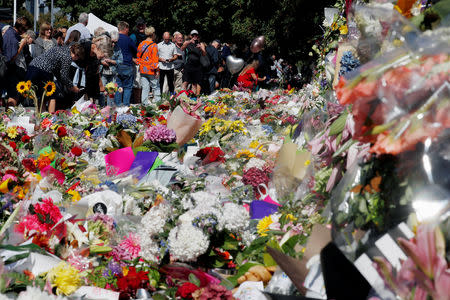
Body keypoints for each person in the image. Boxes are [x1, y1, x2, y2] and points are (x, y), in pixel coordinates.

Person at [26, 43, 84, 112]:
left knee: (40, 96)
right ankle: (51, 118)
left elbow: (57, 72)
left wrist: (66, 84)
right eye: (78, 58)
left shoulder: (59, 48)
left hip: (32, 67)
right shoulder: (67, 57)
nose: (76, 60)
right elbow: (64, 76)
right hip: (44, 70)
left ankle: (42, 116)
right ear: (76, 55)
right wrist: (72, 87)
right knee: (52, 95)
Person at [2, 16, 30, 107]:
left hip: (11, 70)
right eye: (25, 29)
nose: (26, 32)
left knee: (14, 94)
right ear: (22, 28)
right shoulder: (12, 37)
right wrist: (21, 45)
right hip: (12, 71)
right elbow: (11, 57)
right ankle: (8, 117)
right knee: (13, 95)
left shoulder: (10, 32)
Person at [76, 34, 112, 102]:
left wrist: (101, 88)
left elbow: (95, 74)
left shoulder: (96, 57)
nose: (103, 57)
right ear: (98, 48)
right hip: (76, 80)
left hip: (87, 83)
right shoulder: (84, 47)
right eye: (103, 54)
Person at [115, 21, 137, 106]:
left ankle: (117, 106)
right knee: (127, 87)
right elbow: (135, 51)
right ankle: (125, 106)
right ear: (125, 29)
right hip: (127, 65)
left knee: (118, 86)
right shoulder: (128, 39)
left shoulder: (114, 39)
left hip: (117, 65)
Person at [99, 30, 123, 106]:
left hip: (112, 72)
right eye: (112, 42)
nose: (113, 44)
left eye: (115, 42)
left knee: (111, 91)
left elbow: (121, 61)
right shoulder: (103, 45)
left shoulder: (118, 48)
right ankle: (101, 107)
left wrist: (112, 61)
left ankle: (110, 108)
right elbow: (96, 57)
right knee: (102, 91)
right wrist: (102, 61)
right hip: (103, 72)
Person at [137, 26, 159, 105]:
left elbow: (138, 57)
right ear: (153, 34)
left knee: (145, 88)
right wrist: (157, 71)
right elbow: (155, 59)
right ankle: (158, 103)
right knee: (156, 87)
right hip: (151, 70)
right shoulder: (154, 45)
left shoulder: (141, 44)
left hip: (143, 69)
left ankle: (144, 104)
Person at [181, 30, 206, 95]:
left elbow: (204, 54)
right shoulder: (187, 42)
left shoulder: (201, 44)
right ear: (190, 36)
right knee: (185, 82)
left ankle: (192, 98)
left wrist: (201, 48)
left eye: (196, 35)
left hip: (197, 66)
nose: (194, 36)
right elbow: (182, 48)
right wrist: (189, 41)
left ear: (198, 36)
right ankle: (182, 96)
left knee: (194, 83)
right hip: (188, 65)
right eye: (193, 35)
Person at [158, 32, 177, 96]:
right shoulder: (159, 45)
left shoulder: (173, 45)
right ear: (163, 37)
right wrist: (160, 59)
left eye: (168, 39)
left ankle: (172, 97)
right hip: (161, 66)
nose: (167, 40)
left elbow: (175, 55)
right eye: (166, 39)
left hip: (170, 66)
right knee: (161, 82)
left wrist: (172, 59)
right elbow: (155, 56)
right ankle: (160, 96)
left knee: (171, 83)